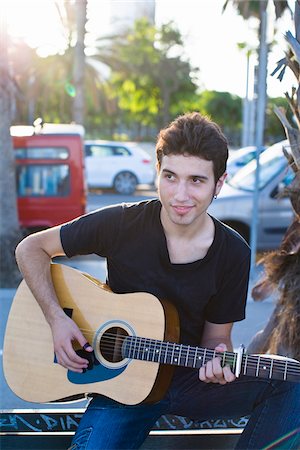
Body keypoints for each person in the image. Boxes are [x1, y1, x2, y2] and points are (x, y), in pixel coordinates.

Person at [15, 112, 300, 449]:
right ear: (157, 171)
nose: (180, 194)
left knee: (289, 380)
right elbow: (31, 248)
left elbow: (215, 340)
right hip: (122, 387)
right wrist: (57, 319)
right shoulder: (122, 223)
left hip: (190, 382)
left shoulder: (233, 253)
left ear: (218, 184)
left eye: (196, 180)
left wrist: (217, 362)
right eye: (170, 176)